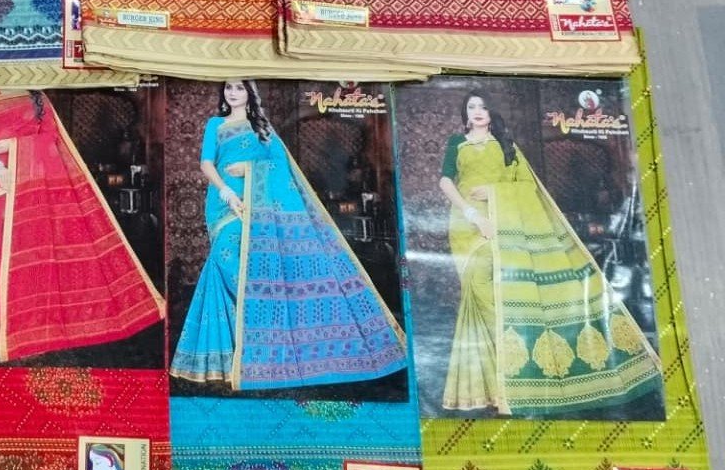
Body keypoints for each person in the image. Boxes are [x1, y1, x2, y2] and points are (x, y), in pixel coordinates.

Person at [171, 80, 407, 390]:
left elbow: (279, 165)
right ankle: (240, 345)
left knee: (255, 267)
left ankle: (256, 345)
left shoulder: (262, 127)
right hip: (223, 201)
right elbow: (206, 164)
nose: (233, 93)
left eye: (240, 88)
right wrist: (226, 191)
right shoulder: (215, 124)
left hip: (259, 203)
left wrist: (249, 167)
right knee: (225, 261)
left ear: (250, 94)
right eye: (228, 88)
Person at [437, 91, 662, 415]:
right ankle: (507, 375)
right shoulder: (457, 143)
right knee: (478, 287)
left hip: (506, 221)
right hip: (465, 224)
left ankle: (510, 381)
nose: (477, 111)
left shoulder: (506, 145)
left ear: (492, 111)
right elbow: (445, 181)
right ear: (465, 113)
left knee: (507, 293)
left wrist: (495, 193)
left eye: (483, 106)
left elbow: (527, 188)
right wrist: (473, 215)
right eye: (471, 106)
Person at [0, 90, 165, 361]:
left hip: (29, 176)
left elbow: (49, 139)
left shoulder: (38, 96)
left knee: (26, 248)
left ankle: (21, 327)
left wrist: (12, 145)